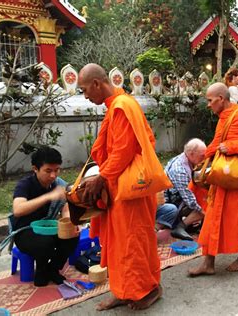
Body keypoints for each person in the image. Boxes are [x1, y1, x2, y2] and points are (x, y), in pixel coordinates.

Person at [78, 63, 161, 311]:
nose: (85, 95)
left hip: (131, 188)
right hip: (117, 187)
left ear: (96, 83)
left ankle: (149, 289)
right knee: (117, 243)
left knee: (134, 241)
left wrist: (100, 176)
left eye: (84, 89)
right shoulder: (115, 106)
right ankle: (123, 290)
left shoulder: (123, 106)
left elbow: (124, 151)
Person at [188, 83, 238, 276]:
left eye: (210, 100)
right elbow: (218, 140)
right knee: (213, 216)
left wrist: (233, 146)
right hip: (223, 176)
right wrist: (203, 158)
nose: (208, 105)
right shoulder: (224, 117)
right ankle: (208, 263)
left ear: (221, 99)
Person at [12, 146, 79, 287]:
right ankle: (41, 272)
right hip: (25, 231)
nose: (53, 175)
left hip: (48, 228)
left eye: (56, 170)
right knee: (45, 243)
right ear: (35, 169)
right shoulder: (24, 185)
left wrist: (69, 224)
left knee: (72, 235)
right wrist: (48, 196)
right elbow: (18, 209)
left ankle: (52, 269)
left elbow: (65, 209)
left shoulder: (59, 184)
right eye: (48, 171)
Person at [164, 138, 207, 240]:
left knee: (207, 195)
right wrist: (203, 212)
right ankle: (181, 226)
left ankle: (191, 224)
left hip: (178, 199)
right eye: (202, 155)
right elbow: (189, 199)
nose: (204, 158)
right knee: (207, 204)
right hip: (171, 206)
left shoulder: (186, 160)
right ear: (191, 154)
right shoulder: (179, 169)